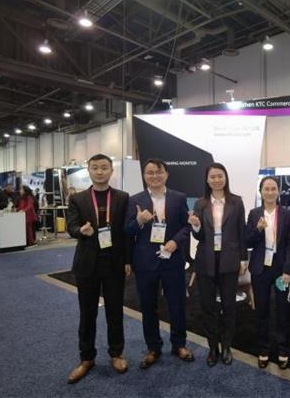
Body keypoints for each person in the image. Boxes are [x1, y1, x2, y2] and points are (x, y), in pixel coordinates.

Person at [66, 153, 131, 384]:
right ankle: (86, 358)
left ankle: (116, 354)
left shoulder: (122, 197)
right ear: (89, 170)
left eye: (104, 167)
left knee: (115, 311)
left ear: (111, 170)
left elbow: (126, 232)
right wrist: (80, 231)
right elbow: (71, 226)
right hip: (87, 263)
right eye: (95, 167)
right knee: (87, 313)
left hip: (114, 263)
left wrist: (128, 260)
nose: (100, 171)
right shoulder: (78, 198)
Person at [124, 158, 194, 369]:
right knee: (148, 306)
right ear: (144, 176)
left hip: (173, 260)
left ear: (166, 174)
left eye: (158, 172)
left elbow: (186, 226)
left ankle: (179, 344)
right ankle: (153, 347)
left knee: (177, 304)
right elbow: (127, 231)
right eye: (150, 172)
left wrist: (176, 241)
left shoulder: (178, 198)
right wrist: (139, 221)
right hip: (145, 262)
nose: (154, 176)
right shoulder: (134, 200)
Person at [188, 163, 247, 367]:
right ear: (207, 179)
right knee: (208, 306)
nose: (216, 180)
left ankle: (227, 345)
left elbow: (241, 232)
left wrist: (243, 259)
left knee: (229, 306)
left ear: (225, 177)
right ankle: (213, 347)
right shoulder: (201, 203)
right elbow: (198, 236)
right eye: (212, 176)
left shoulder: (236, 202)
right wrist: (196, 226)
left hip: (229, 259)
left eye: (220, 176)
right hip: (206, 260)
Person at [245, 176, 290, 369]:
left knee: (284, 310)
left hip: (281, 269)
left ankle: (283, 350)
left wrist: (289, 269)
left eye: (274, 188)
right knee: (262, 310)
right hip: (260, 268)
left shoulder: (287, 214)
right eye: (266, 189)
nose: (270, 192)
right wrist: (257, 229)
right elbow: (247, 241)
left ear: (278, 191)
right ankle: (263, 349)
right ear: (261, 191)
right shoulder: (254, 214)